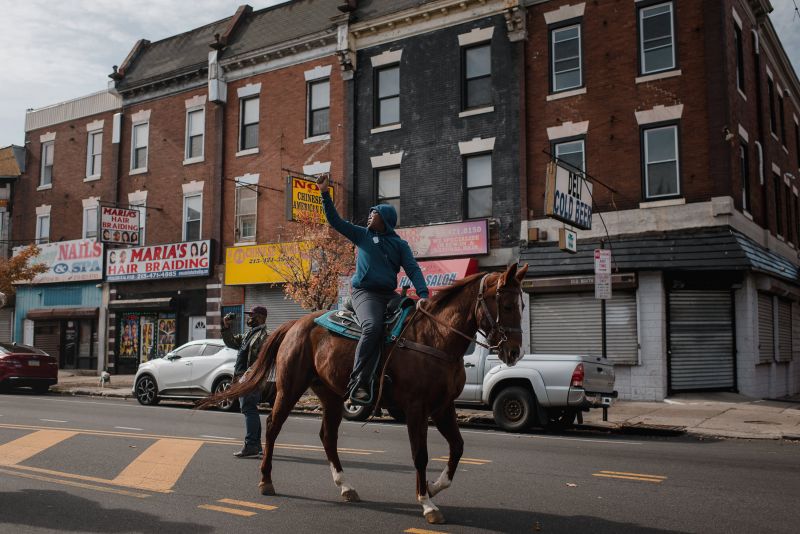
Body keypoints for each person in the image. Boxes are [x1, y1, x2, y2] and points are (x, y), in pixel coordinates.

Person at [318, 175, 429, 404]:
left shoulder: (400, 245)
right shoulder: (362, 235)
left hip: (388, 295)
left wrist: (425, 295)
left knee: (412, 320)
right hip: (365, 294)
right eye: (370, 213)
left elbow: (413, 270)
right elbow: (335, 221)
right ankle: (359, 381)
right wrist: (325, 194)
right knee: (372, 327)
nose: (369, 216)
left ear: (385, 219)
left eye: (374, 213)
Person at [222, 305, 270, 458]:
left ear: (261, 317)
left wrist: (249, 375)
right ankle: (257, 446)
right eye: (249, 315)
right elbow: (231, 343)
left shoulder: (264, 336)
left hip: (250, 378)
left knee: (249, 409)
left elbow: (263, 360)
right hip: (243, 377)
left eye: (253, 315)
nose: (249, 318)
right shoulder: (250, 334)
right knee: (251, 410)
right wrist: (226, 326)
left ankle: (251, 446)